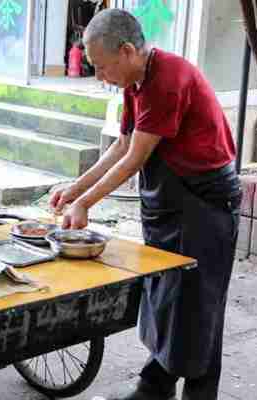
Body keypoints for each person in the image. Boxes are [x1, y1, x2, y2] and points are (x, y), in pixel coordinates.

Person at [50, 9, 242, 400]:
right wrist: (74, 191)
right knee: (167, 298)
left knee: (199, 305)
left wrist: (85, 203)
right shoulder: (134, 81)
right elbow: (122, 145)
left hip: (203, 202)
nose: (100, 77)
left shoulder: (167, 79)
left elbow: (135, 158)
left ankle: (196, 394)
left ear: (126, 51)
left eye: (102, 67)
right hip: (170, 202)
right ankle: (154, 387)